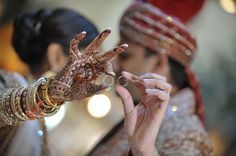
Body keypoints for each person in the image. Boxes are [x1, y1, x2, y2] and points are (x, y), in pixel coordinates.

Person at [0, 8, 171, 156]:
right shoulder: (7, 82)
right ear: (57, 56)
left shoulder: (43, 118)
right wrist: (49, 95)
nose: (94, 74)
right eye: (87, 63)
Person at [88, 2, 213, 156]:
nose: (113, 64)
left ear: (159, 63)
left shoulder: (188, 137)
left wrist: (144, 152)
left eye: (125, 56)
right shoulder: (144, 112)